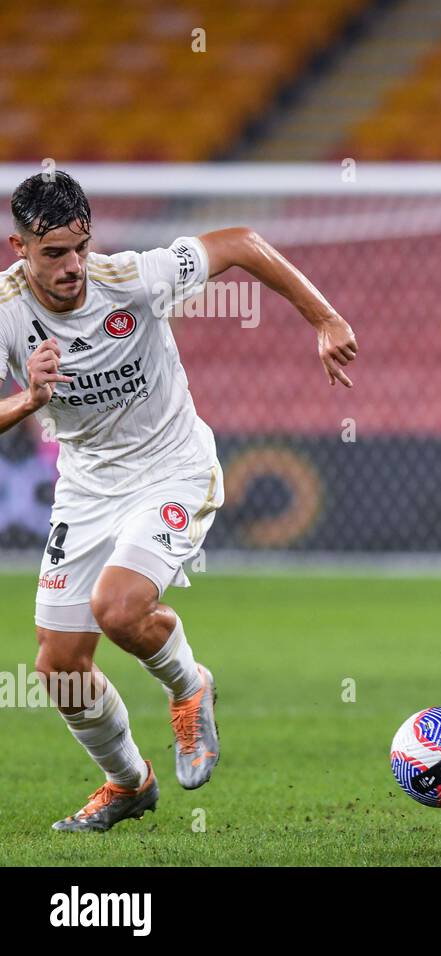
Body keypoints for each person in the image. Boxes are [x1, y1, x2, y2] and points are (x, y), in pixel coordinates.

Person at [1, 170, 358, 831]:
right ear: (21, 250)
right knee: (58, 666)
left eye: (81, 246)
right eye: (54, 253)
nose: (73, 264)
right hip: (87, 487)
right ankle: (129, 783)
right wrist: (28, 399)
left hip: (172, 469)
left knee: (118, 608)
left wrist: (325, 318)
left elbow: (245, 242)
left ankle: (188, 685)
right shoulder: (6, 314)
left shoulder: (135, 277)